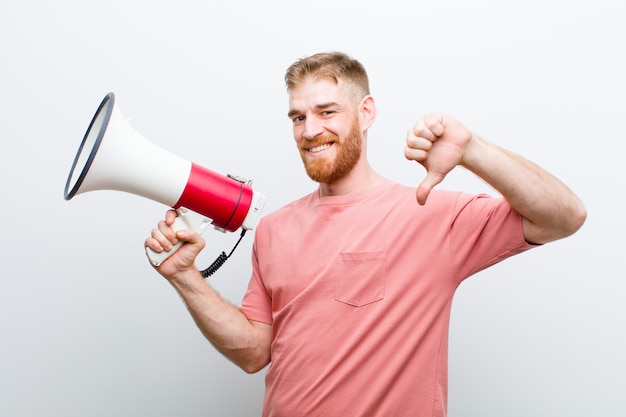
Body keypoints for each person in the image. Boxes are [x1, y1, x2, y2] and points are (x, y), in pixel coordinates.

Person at [145, 52, 586, 417]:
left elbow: (564, 216)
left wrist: (473, 151)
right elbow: (253, 353)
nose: (310, 130)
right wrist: (186, 277)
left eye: (326, 111)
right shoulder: (274, 229)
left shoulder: (429, 213)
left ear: (366, 112)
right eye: (297, 117)